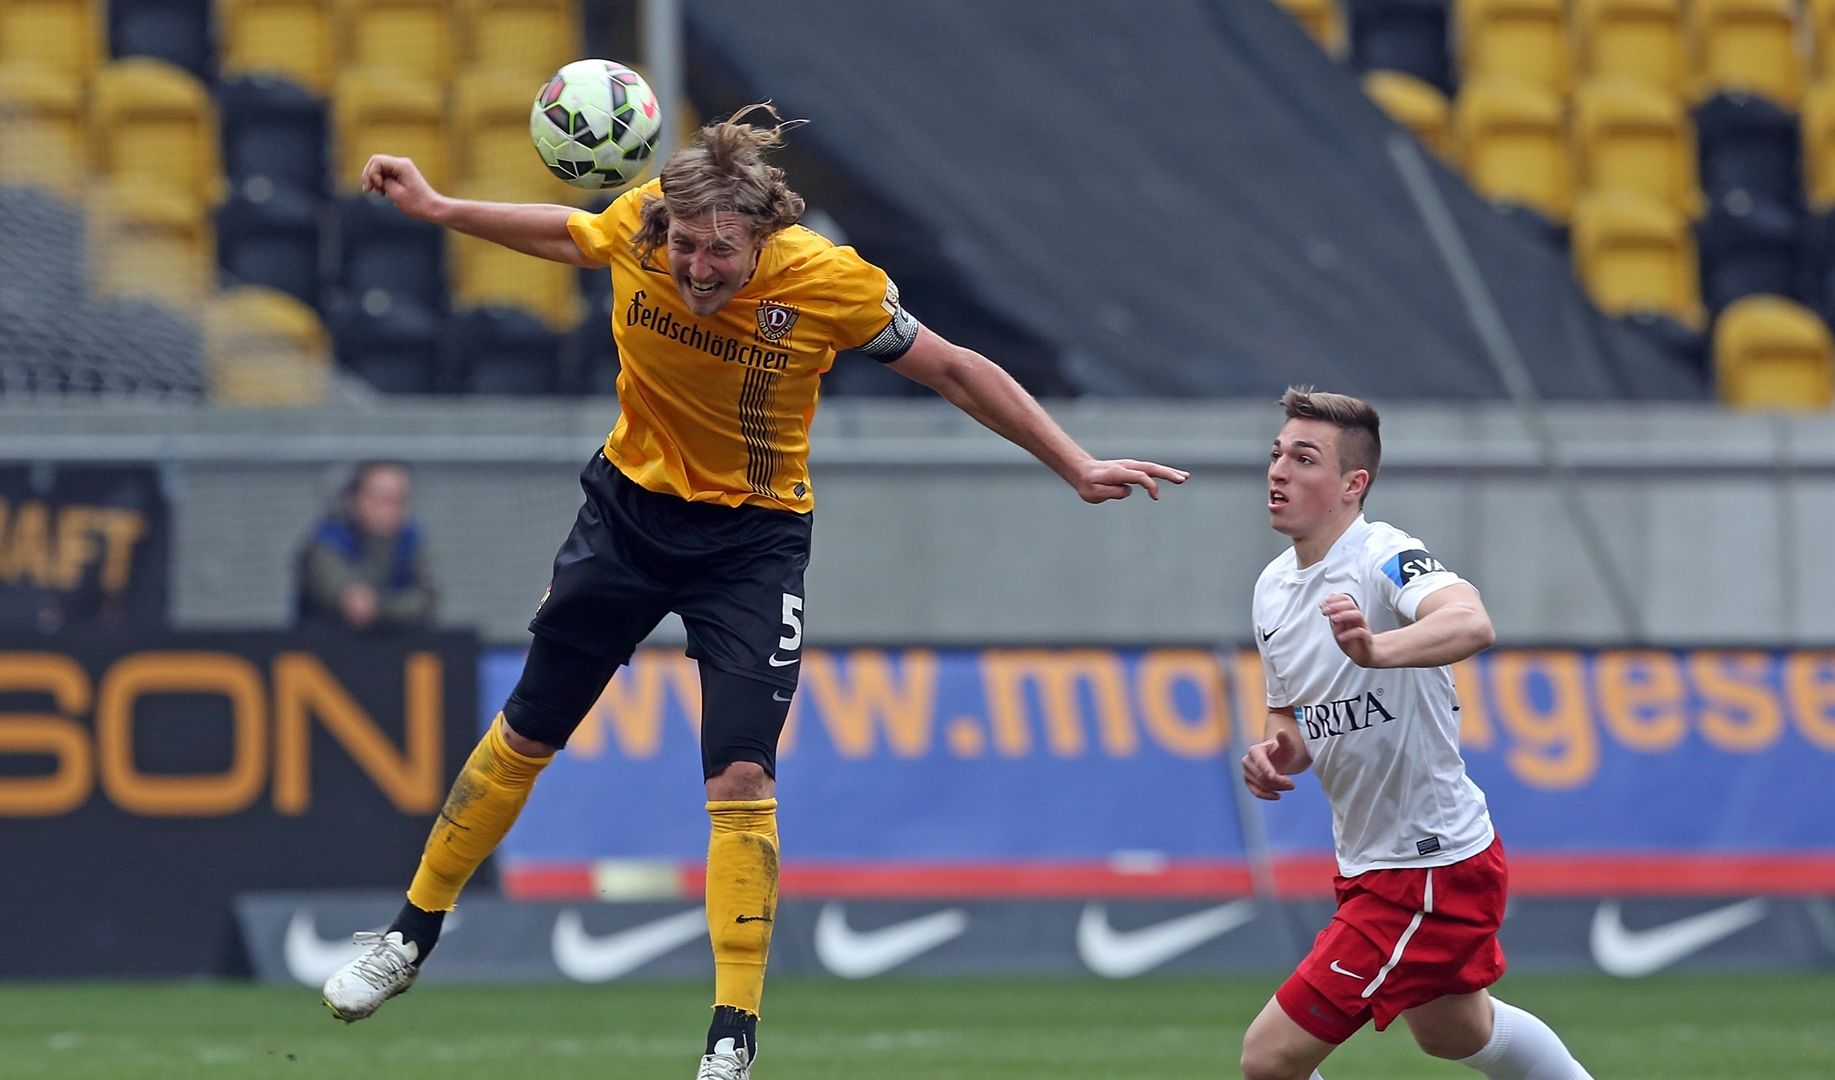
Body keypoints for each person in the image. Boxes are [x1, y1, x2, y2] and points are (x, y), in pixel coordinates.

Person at [319, 104, 1188, 1080]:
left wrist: (1074, 462)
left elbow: (953, 369)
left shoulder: (827, 281)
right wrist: (439, 209)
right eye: (685, 247)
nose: (697, 268)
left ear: (762, 239)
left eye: (719, 252)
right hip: (628, 514)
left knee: (740, 777)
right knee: (529, 730)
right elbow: (570, 233)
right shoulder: (641, 222)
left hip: (752, 543)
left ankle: (731, 1039)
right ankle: (409, 936)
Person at [1239, 388, 1592, 1080]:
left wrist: (1378, 649)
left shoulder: (1383, 554)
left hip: (1425, 868)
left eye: (1303, 458)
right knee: (1457, 1034)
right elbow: (1290, 714)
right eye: (1277, 454)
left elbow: (1470, 621)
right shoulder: (1273, 589)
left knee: (1270, 1058)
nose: (1278, 470)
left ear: (1353, 484)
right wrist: (1279, 751)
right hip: (1378, 861)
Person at [296, 460, 436, 632]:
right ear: (353, 500)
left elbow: (426, 599)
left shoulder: (411, 540)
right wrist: (355, 600)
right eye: (380, 499)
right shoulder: (328, 541)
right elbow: (343, 595)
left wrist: (380, 607)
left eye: (398, 500)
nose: (388, 510)